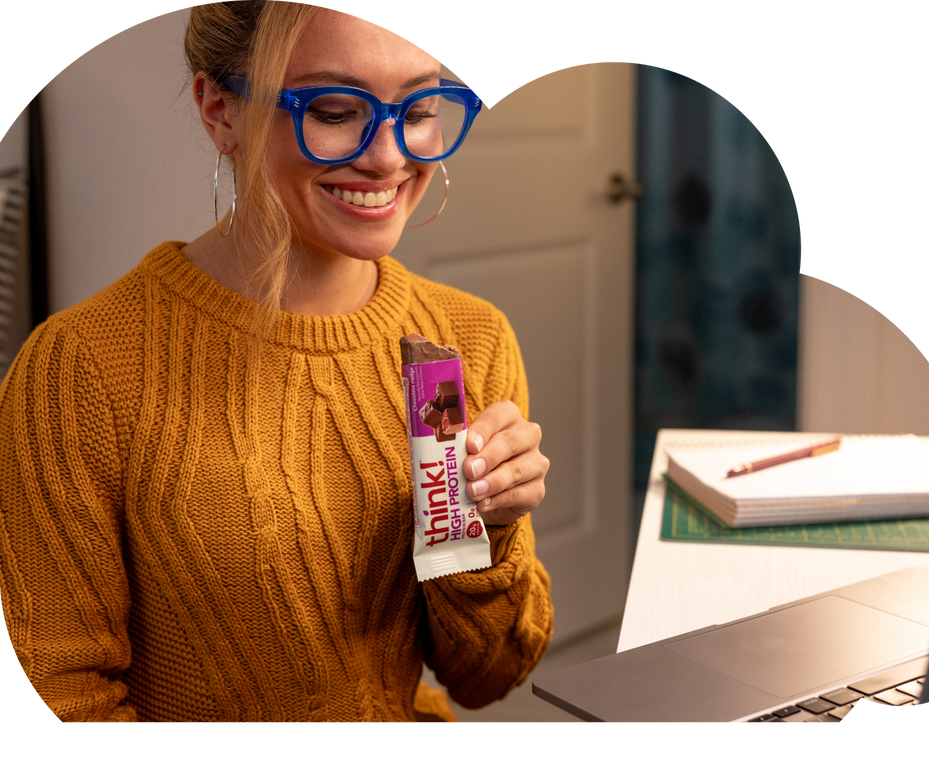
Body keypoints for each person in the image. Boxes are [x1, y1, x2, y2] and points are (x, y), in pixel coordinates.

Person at [0, 2, 553, 725]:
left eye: (421, 106)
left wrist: (490, 529)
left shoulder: (469, 339)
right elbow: (58, 691)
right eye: (333, 108)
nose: (389, 157)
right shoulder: (80, 369)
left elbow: (487, 676)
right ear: (220, 109)